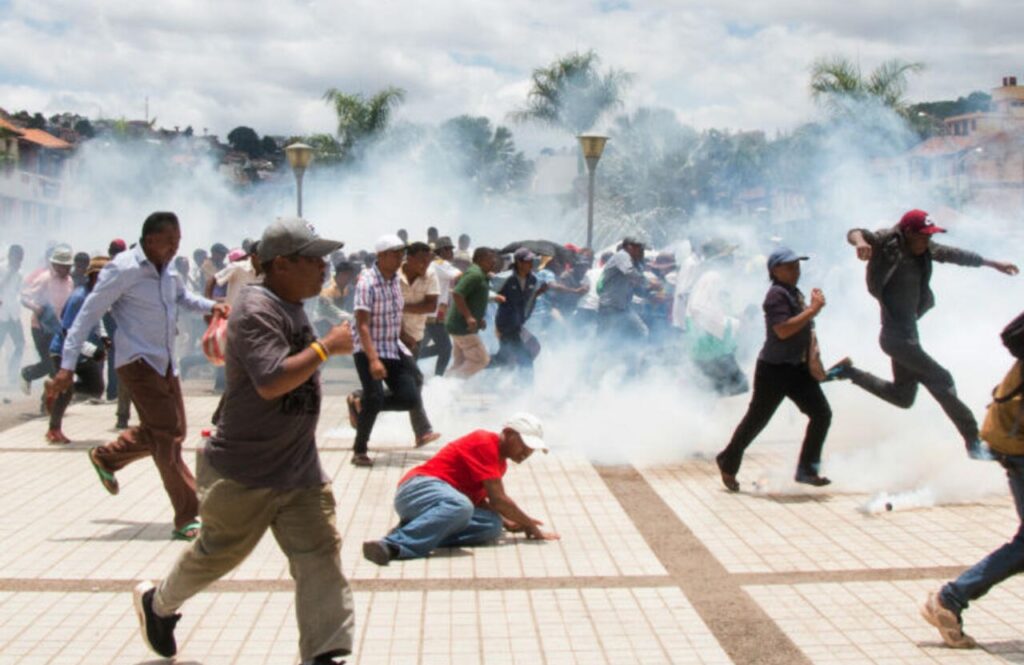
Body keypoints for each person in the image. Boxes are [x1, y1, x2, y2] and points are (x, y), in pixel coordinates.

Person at [131, 217, 355, 665]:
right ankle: (158, 605)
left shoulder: (292, 305)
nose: (324, 267)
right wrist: (326, 348)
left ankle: (324, 654)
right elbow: (271, 381)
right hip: (245, 469)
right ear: (282, 264)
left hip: (298, 469)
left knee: (319, 555)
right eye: (313, 259)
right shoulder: (256, 309)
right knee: (218, 554)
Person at [48, 212, 229, 542]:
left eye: (178, 241)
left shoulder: (168, 268)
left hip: (166, 362)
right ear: (150, 240)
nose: (175, 248)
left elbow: (182, 298)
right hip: (137, 361)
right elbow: (86, 316)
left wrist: (212, 306)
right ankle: (188, 514)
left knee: (172, 432)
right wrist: (67, 365)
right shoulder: (123, 269)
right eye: (169, 241)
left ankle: (107, 457)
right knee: (167, 437)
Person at [829, 209, 1019, 459]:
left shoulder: (927, 249)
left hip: (907, 335)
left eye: (930, 236)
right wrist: (861, 243)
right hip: (897, 339)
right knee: (942, 379)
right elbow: (855, 232)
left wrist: (993, 263)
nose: (927, 241)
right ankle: (973, 442)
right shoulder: (887, 242)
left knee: (903, 397)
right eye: (923, 236)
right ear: (908, 233)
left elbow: (955, 255)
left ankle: (848, 372)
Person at [362, 413, 560, 565]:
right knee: (461, 506)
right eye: (524, 444)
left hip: (442, 503)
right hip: (417, 489)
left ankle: (417, 529)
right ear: (508, 434)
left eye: (532, 449)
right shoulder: (484, 441)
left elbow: (479, 501)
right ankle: (393, 545)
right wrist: (529, 525)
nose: (527, 452)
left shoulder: (500, 464)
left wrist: (507, 521)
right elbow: (499, 500)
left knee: (492, 525)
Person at [715, 248, 832, 491]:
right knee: (757, 420)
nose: (796, 271)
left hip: (797, 368)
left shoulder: (793, 293)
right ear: (775, 271)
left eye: (797, 266)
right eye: (789, 267)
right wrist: (812, 310)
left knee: (821, 414)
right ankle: (728, 460)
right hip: (775, 370)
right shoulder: (776, 295)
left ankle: (807, 470)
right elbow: (782, 330)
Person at [348, 235, 423, 467]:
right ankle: (360, 450)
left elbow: (394, 314)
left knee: (410, 397)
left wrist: (404, 336)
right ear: (381, 256)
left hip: (392, 347)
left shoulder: (394, 280)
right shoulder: (367, 283)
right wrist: (373, 360)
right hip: (368, 348)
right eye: (395, 254)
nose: (400, 258)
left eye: (402, 253)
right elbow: (362, 324)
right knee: (375, 397)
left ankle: (359, 401)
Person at [44, 257, 110, 444]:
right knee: (66, 392)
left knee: (96, 387)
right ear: (95, 276)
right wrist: (92, 351)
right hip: (63, 350)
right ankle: (53, 429)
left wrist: (103, 336)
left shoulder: (97, 295)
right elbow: (68, 333)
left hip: (81, 351)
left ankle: (54, 386)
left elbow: (96, 318)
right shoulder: (78, 298)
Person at [398, 241, 442, 447]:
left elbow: (431, 306)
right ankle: (422, 431)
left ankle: (360, 400)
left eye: (428, 260)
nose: (426, 265)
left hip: (415, 335)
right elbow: (388, 307)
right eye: (422, 260)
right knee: (413, 380)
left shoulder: (430, 275)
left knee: (406, 383)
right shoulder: (394, 274)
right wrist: (401, 333)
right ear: (410, 258)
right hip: (391, 335)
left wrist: (401, 307)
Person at [20, 243, 74, 395]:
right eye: (63, 266)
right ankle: (28, 374)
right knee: (50, 363)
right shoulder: (45, 278)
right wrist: (35, 307)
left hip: (59, 329)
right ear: (55, 265)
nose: (67, 269)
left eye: (68, 266)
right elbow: (24, 297)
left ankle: (51, 398)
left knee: (57, 363)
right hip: (41, 328)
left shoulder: (70, 281)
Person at [445, 247, 498, 379]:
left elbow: (471, 298)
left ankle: (442, 386)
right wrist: (469, 317)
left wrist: (478, 319)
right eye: (490, 259)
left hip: (460, 325)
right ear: (479, 259)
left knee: (460, 362)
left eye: (494, 259)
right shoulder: (475, 274)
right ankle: (449, 385)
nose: (494, 262)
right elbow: (457, 293)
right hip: (462, 327)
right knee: (481, 360)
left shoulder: (481, 275)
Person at [493, 247, 544, 374]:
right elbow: (487, 292)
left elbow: (530, 301)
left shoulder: (533, 280)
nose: (531, 264)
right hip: (505, 325)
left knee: (505, 358)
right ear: (519, 262)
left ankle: (476, 365)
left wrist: (525, 317)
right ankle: (525, 388)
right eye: (528, 261)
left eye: (532, 261)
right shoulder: (505, 278)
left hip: (518, 324)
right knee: (524, 358)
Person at [419, 236, 460, 376]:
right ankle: (438, 379)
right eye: (449, 249)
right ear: (442, 251)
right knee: (446, 349)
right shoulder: (440, 264)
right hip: (434, 315)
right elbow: (460, 275)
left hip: (431, 313)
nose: (452, 252)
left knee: (423, 345)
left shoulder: (433, 264)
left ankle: (412, 358)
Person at [0, 244, 25, 387]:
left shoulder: (20, 272)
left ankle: (13, 372)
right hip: (1, 315)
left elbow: (18, 291)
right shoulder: (2, 268)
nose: (19, 262)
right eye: (17, 258)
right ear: (10, 256)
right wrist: (9, 274)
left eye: (21, 259)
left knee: (20, 344)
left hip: (14, 315)